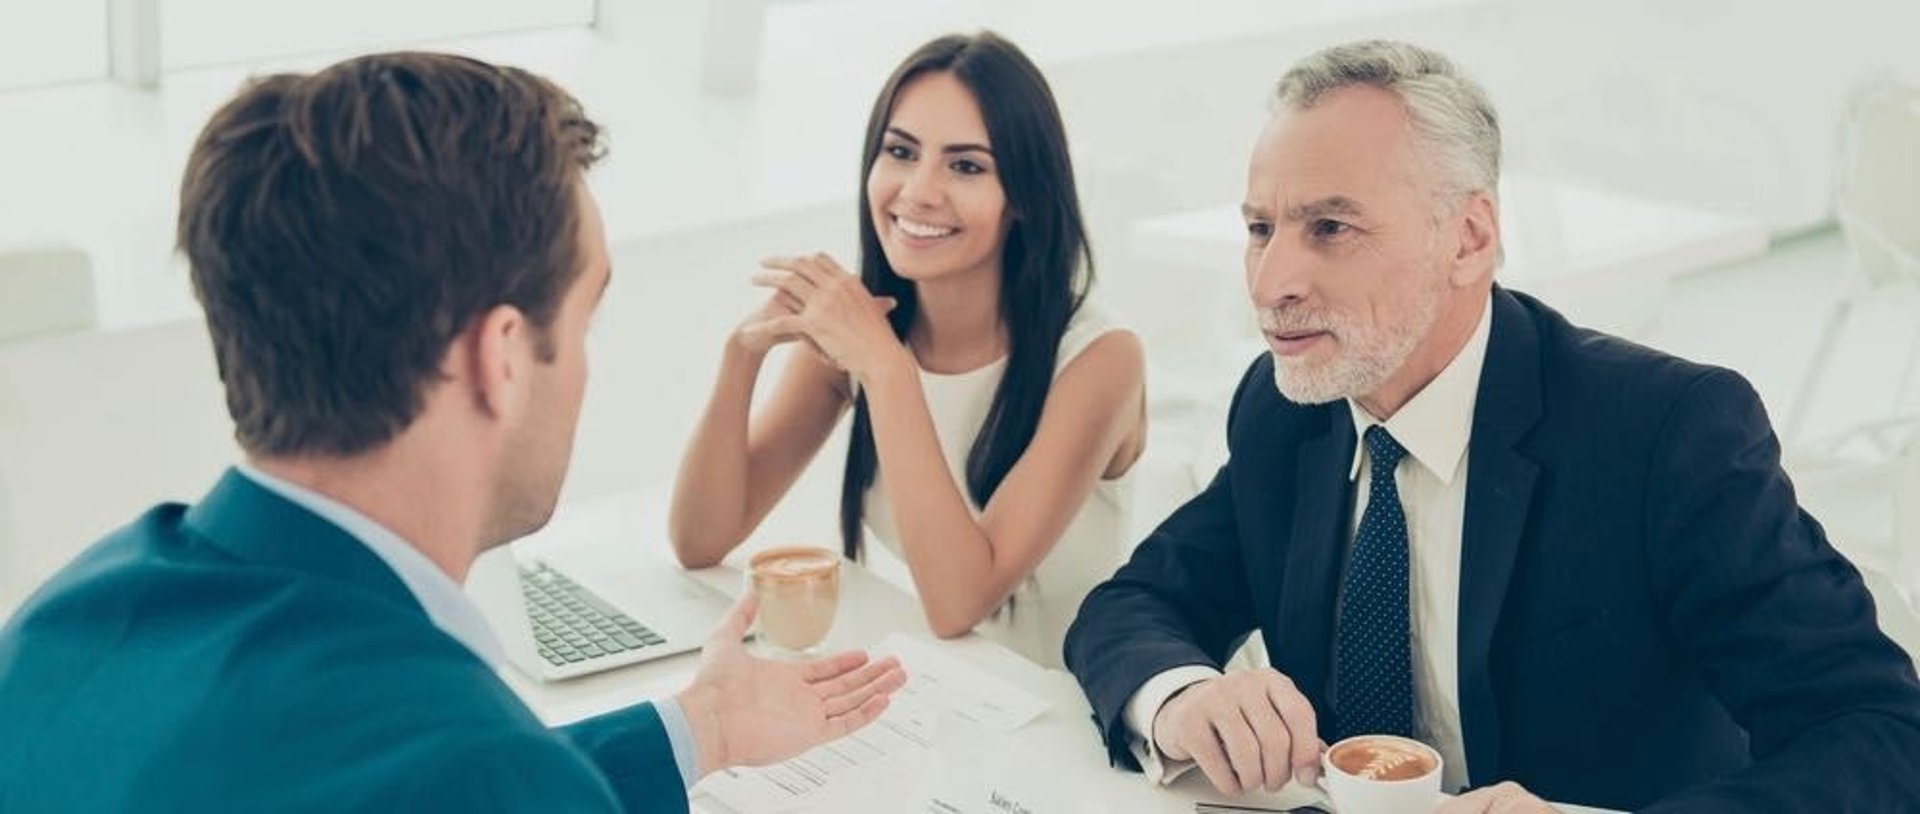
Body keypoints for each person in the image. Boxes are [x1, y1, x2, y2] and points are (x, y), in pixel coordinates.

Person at [0, 52, 904, 812]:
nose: (586, 369)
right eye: (585, 320)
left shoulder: (65, 621)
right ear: (499, 358)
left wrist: (702, 726)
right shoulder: (477, 769)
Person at [1063, 39, 1920, 812]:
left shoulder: (1663, 434)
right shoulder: (1290, 409)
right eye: (1260, 229)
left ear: (1468, 240)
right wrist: (1182, 695)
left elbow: (1877, 730)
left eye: (1330, 228)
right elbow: (1135, 605)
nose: (1270, 281)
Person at [668, 32, 1146, 669]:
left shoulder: (1100, 360)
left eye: (967, 165)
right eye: (900, 152)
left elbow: (959, 601)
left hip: (1078, 712)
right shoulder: (863, 335)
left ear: (1026, 197)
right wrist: (741, 355)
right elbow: (701, 540)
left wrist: (888, 370)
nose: (919, 191)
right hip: (954, 694)